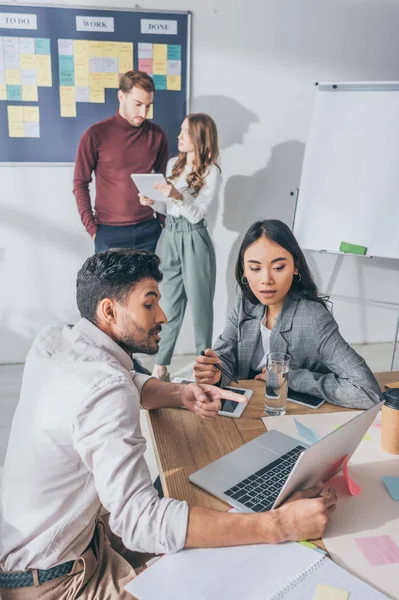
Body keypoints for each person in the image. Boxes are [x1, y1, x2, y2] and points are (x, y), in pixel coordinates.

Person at [0, 249, 337, 599]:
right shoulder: (104, 389)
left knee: (220, 518)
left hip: (52, 547)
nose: (163, 314)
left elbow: (119, 380)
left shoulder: (55, 340)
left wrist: (180, 394)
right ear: (108, 310)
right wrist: (279, 525)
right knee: (242, 564)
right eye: (149, 304)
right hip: (57, 583)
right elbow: (139, 522)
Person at [194, 220, 381, 409]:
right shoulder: (245, 302)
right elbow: (224, 355)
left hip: (291, 410)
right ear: (244, 270)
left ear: (296, 267)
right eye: (255, 268)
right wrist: (216, 373)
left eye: (278, 267)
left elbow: (367, 392)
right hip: (249, 404)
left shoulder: (313, 318)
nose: (266, 280)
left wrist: (292, 377)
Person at [139, 113, 220, 382]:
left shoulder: (211, 171)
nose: (179, 136)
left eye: (185, 132)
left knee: (200, 306)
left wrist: (177, 195)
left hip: (195, 238)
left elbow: (198, 214)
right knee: (169, 305)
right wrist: (154, 202)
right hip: (170, 235)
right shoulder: (175, 164)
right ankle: (160, 366)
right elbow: (170, 208)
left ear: (199, 137)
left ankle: (203, 368)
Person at [73, 70, 168, 254]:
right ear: (121, 96)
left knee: (147, 284)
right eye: (138, 104)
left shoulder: (156, 135)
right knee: (110, 285)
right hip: (108, 232)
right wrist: (92, 229)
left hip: (148, 230)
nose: (143, 113)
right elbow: (80, 183)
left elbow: (162, 180)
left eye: (148, 106)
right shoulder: (95, 134)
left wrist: (162, 221)